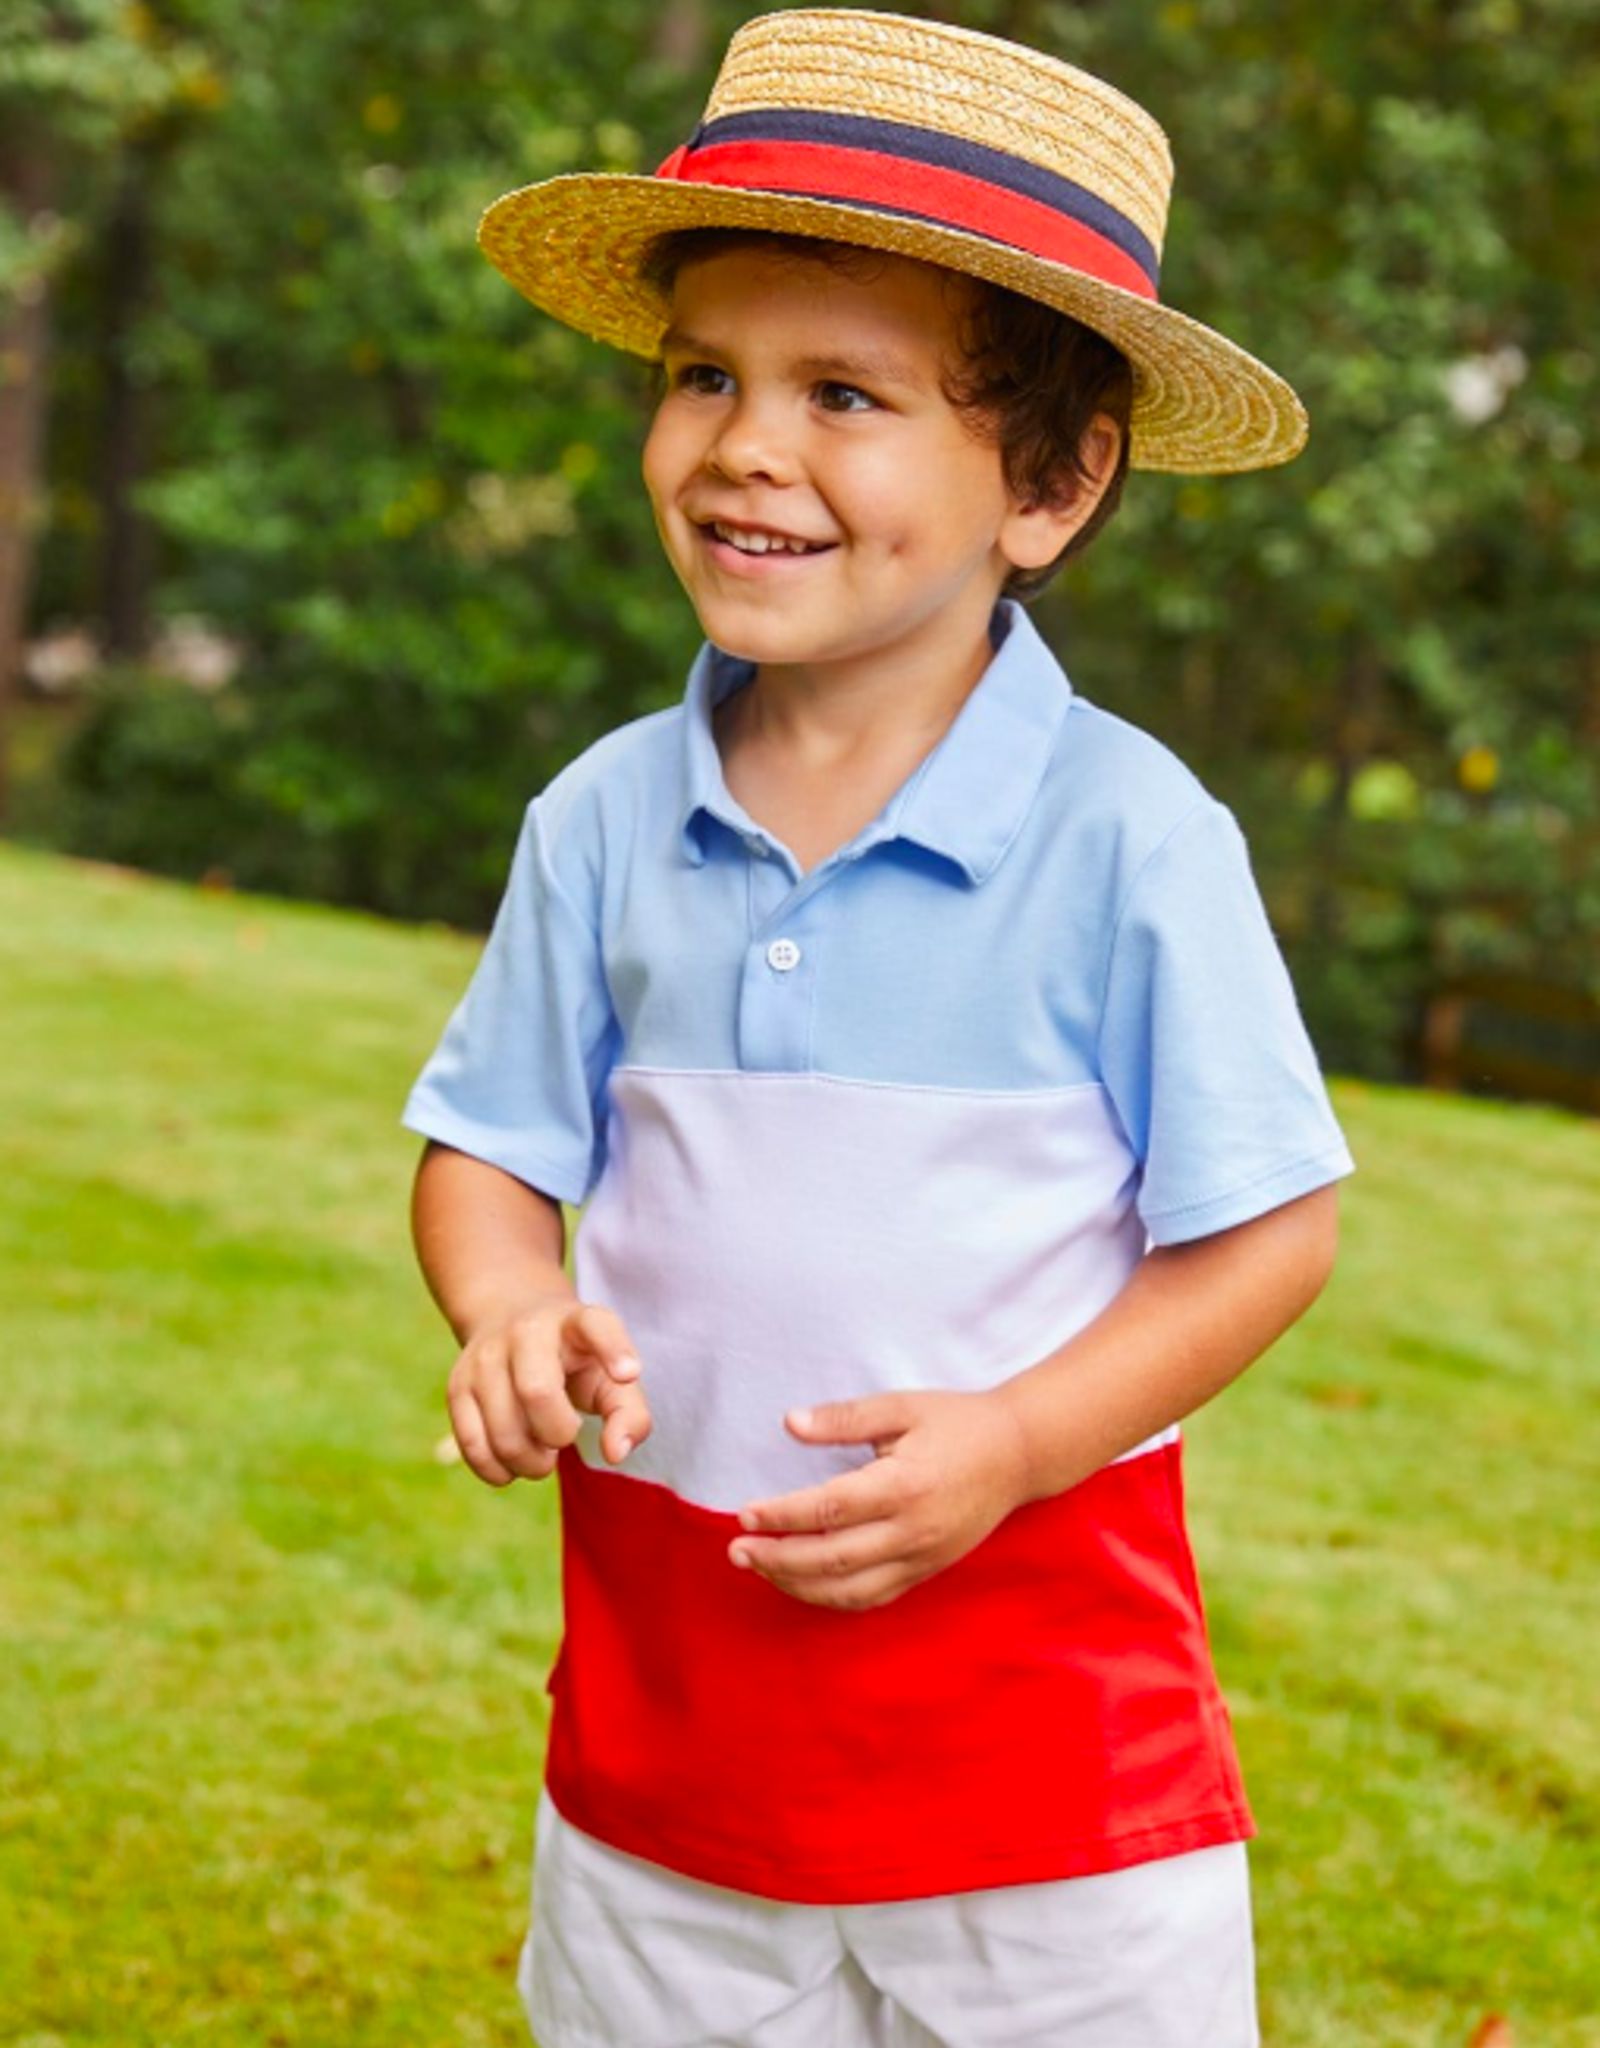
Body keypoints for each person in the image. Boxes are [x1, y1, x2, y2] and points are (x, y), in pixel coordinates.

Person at [404, 11, 1354, 2045]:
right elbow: (490, 1147)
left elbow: (1265, 1229)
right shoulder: (600, 818)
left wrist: (1014, 1440)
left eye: (844, 392)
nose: (746, 443)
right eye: (704, 376)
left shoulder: (1125, 840)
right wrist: (501, 1303)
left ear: (1051, 481)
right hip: (668, 1770)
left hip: (1046, 1804)